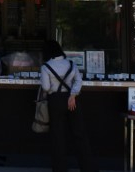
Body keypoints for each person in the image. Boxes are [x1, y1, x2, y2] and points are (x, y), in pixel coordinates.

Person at [40, 40, 98, 172]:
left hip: (55, 101)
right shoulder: (71, 64)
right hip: (72, 101)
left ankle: (60, 168)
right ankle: (88, 168)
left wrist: (52, 92)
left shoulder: (45, 66)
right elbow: (78, 80)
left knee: (58, 136)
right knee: (80, 134)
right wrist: (73, 95)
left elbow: (46, 87)